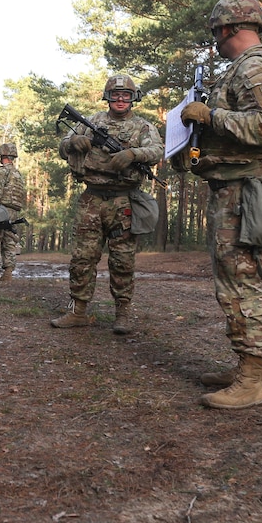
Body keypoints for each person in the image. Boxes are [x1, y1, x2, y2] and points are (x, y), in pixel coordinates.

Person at [178, 0, 262, 410]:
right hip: (236, 191)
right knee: (238, 282)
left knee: (241, 285)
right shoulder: (244, 69)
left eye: (217, 32)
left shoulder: (255, 68)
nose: (215, 41)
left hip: (247, 194)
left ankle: (250, 380)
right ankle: (252, 368)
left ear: (229, 28)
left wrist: (213, 116)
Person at [51, 74, 163, 334]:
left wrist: (133, 153)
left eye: (126, 95)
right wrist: (72, 143)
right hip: (92, 198)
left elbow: (157, 151)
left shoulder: (143, 126)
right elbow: (62, 146)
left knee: (123, 260)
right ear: (108, 97)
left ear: (133, 98)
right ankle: (78, 311)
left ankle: (122, 314)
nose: (120, 99)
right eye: (115, 95)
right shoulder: (92, 122)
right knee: (82, 258)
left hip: (124, 201)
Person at [0, 143, 27, 282]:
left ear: (3, 155)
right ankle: (8, 274)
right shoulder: (18, 174)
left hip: (0, 209)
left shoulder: (2, 171)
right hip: (13, 210)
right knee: (9, 240)